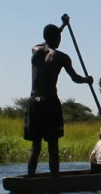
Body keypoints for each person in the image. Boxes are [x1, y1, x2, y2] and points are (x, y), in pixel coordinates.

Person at [23, 23, 92, 176]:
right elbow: (75, 78)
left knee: (36, 146)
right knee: (53, 146)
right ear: (57, 38)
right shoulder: (62, 57)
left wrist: (62, 27)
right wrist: (87, 80)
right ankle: (55, 181)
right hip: (49, 103)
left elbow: (47, 40)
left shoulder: (35, 50)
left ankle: (30, 179)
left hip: (34, 101)